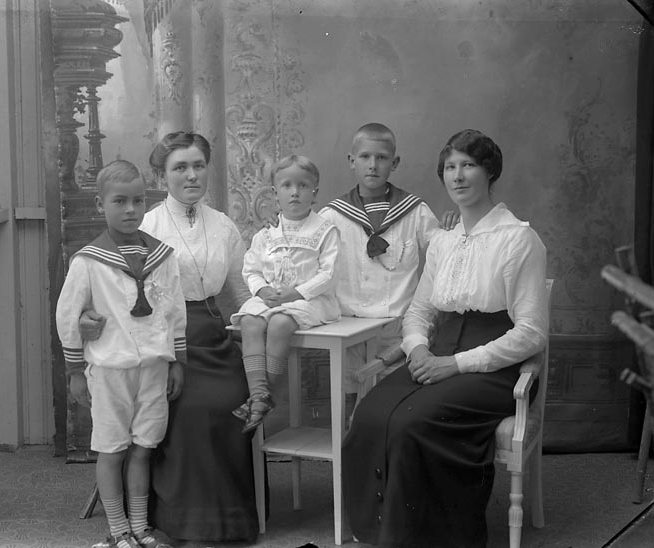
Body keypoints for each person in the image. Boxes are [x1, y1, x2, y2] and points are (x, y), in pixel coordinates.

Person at [342, 129, 549, 548]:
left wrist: (455, 364)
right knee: (369, 414)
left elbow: (531, 333)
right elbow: (420, 311)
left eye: (468, 165)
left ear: (489, 172)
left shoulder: (518, 239)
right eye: (450, 167)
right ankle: (383, 533)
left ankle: (427, 539)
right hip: (436, 354)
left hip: (493, 368)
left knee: (411, 423)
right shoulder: (444, 241)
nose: (457, 175)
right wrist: (418, 349)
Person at [81, 132, 259, 542]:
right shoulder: (146, 224)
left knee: (233, 401)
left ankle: (231, 519)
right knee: (192, 408)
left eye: (198, 166)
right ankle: (180, 520)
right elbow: (106, 285)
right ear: (162, 176)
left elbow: (241, 290)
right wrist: (89, 315)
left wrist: (263, 315)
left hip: (214, 335)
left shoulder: (224, 225)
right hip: (159, 341)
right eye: (180, 167)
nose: (191, 175)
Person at [56, 160, 187, 548]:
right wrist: (75, 371)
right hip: (111, 368)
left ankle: (140, 527)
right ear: (101, 204)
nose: (131, 209)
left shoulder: (162, 257)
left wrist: (177, 362)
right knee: (112, 451)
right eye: (120, 201)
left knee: (143, 448)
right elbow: (68, 315)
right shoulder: (88, 261)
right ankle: (118, 530)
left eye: (138, 201)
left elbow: (175, 311)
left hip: (154, 367)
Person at [317, 123, 442, 417]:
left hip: (396, 326)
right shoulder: (332, 215)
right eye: (364, 157)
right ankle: (350, 443)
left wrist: (454, 233)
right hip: (348, 326)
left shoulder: (415, 211)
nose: (373, 165)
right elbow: (311, 261)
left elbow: (443, 257)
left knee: (392, 402)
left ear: (394, 163)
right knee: (350, 400)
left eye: (382, 158)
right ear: (352, 161)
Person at [230, 154, 340, 434]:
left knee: (279, 323)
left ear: (314, 192)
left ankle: (262, 395)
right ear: (274, 192)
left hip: (309, 300)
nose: (295, 192)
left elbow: (328, 274)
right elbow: (251, 269)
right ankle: (260, 396)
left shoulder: (324, 230)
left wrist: (297, 293)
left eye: (303, 186)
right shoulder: (266, 233)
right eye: (287, 185)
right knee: (250, 321)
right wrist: (263, 289)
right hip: (272, 297)